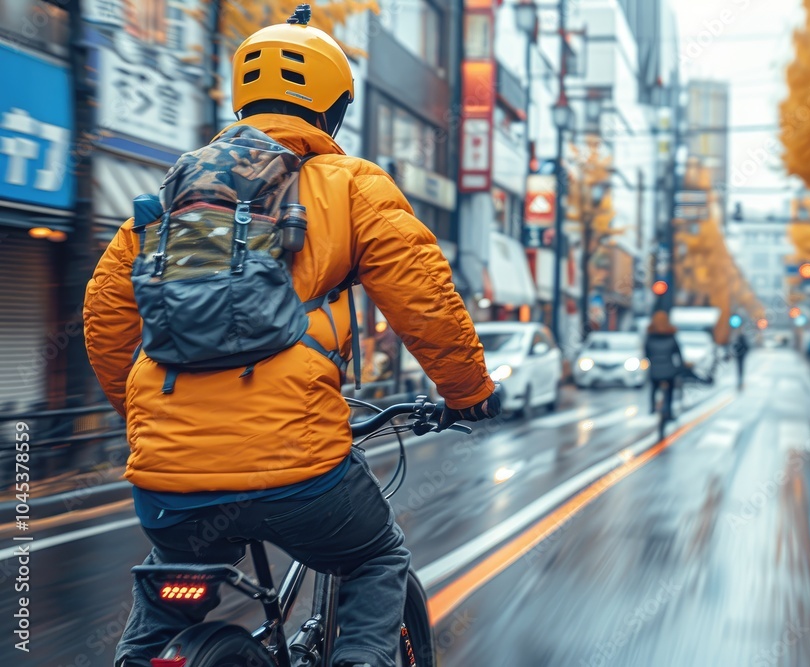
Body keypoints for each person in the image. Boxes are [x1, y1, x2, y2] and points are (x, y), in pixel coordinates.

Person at [85, 14, 501, 667]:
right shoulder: (352, 185)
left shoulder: (175, 198)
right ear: (331, 110)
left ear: (242, 101)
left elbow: (107, 318)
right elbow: (424, 297)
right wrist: (468, 390)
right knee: (375, 556)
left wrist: (149, 421)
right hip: (299, 472)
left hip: (169, 478)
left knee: (161, 610)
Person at [645, 311, 683, 420]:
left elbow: (646, 352)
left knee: (653, 387)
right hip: (669, 370)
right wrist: (680, 367)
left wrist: (651, 361)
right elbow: (678, 353)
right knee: (670, 391)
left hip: (655, 370)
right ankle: (669, 413)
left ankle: (652, 407)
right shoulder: (671, 334)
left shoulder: (650, 335)